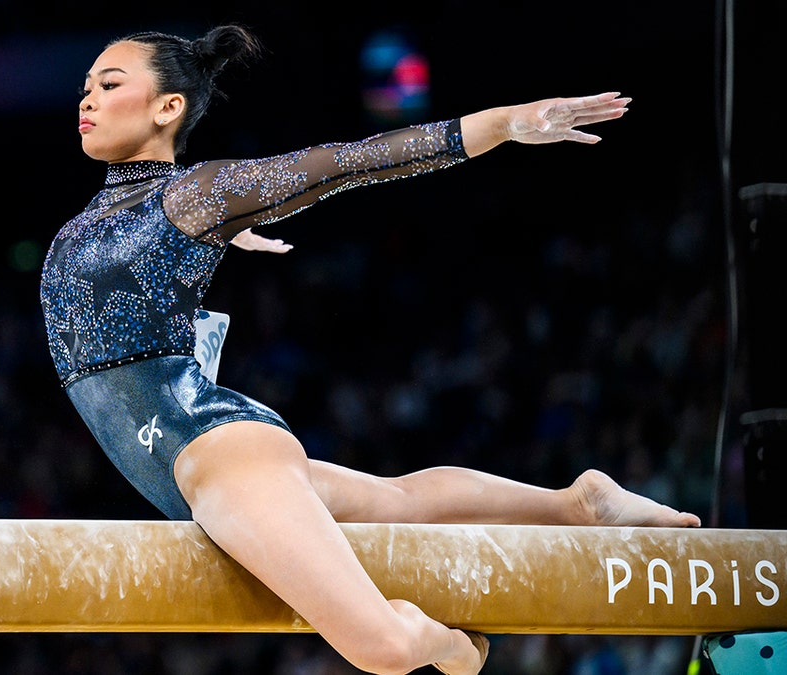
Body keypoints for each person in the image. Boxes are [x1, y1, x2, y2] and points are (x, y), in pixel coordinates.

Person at [39, 24, 701, 675]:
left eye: (109, 83)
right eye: (85, 87)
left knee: (383, 649)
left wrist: (501, 123)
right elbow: (139, 265)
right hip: (185, 468)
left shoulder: (193, 195)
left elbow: (351, 161)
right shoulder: (125, 219)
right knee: (399, 503)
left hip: (216, 454)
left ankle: (451, 647)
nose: (86, 99)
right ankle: (579, 503)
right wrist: (219, 234)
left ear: (168, 107)